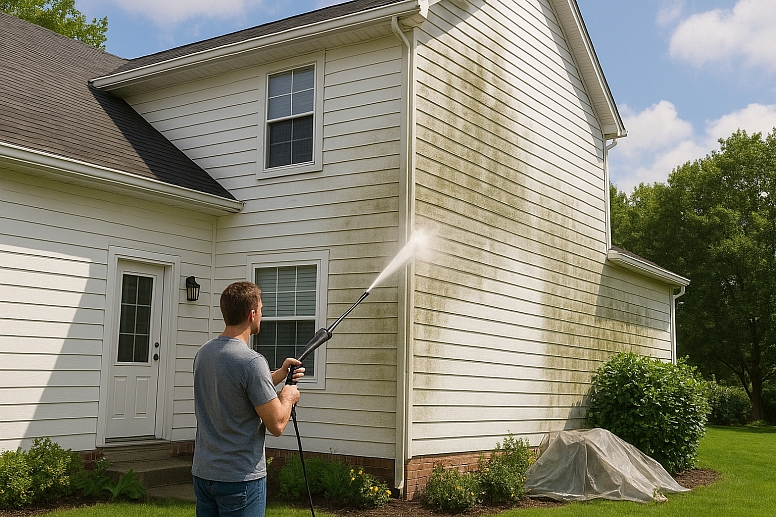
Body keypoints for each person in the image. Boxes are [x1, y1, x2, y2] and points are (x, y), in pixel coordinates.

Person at [192, 281, 304, 517]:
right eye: (261, 310)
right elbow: (276, 424)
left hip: (204, 475)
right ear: (251, 314)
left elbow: (237, 390)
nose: (261, 316)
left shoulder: (204, 353)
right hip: (239, 479)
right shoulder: (251, 362)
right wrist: (288, 395)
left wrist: (279, 374)